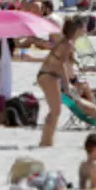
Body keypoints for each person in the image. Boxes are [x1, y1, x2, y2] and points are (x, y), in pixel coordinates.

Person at [36, 17, 84, 148]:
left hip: (47, 75)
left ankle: (46, 140)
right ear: (78, 29)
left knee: (54, 110)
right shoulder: (67, 44)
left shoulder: (65, 42)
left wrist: (72, 81)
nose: (85, 30)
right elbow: (61, 65)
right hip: (49, 76)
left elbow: (64, 66)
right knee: (55, 111)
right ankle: (46, 141)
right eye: (83, 28)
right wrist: (67, 86)